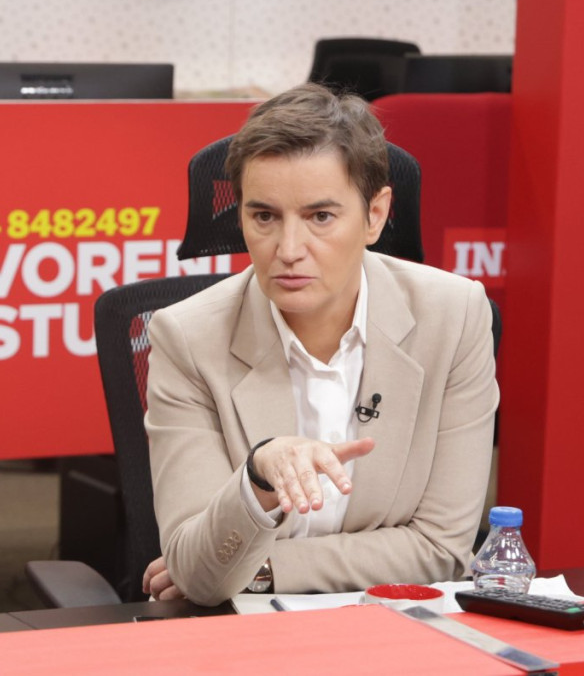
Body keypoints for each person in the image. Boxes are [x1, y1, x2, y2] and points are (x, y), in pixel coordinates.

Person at [142, 83, 498, 606]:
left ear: (375, 215)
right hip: (243, 633)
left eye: (320, 217)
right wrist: (258, 478)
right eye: (264, 217)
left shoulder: (454, 316)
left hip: (394, 627)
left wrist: (262, 567)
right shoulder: (186, 337)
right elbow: (198, 575)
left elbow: (441, 548)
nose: (288, 250)